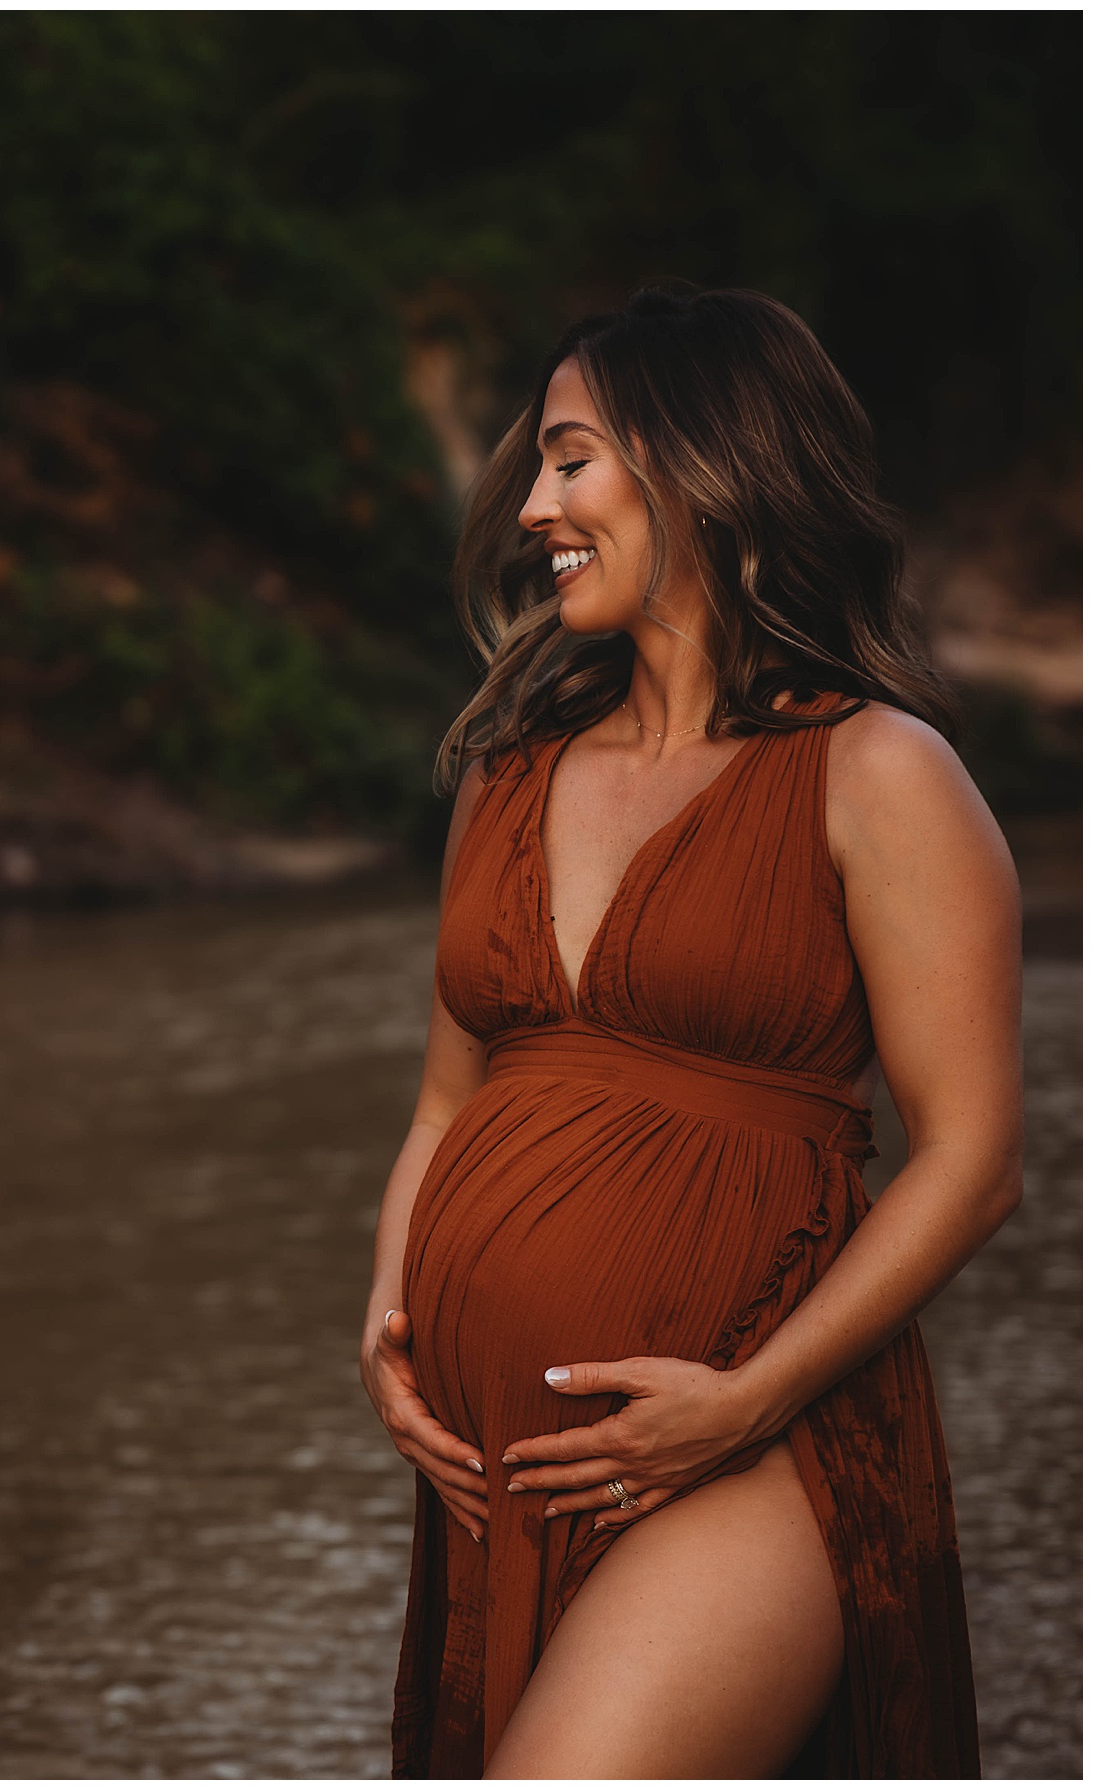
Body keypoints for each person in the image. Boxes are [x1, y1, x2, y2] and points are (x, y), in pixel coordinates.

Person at [359, 284, 1022, 1779]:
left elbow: (974, 1161)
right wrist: (390, 1322)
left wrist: (745, 1400)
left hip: (756, 1444)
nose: (536, 504)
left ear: (704, 463)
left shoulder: (876, 771)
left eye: (571, 458)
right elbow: (444, 1107)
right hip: (501, 1476)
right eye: (539, 465)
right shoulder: (507, 774)